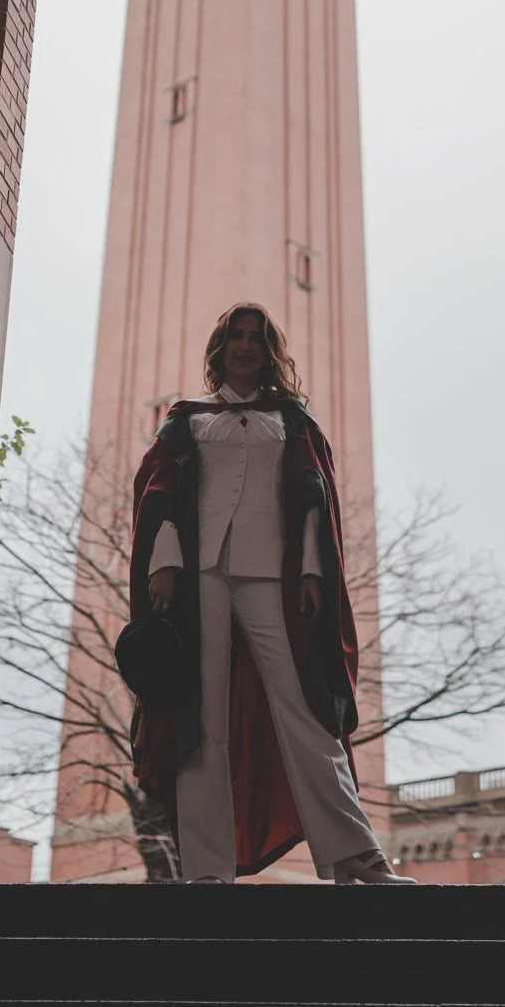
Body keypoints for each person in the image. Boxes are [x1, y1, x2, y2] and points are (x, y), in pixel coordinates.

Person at [128, 303, 412, 884]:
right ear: (220, 346)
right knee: (202, 716)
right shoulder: (187, 418)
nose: (245, 346)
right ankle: (206, 871)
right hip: (199, 573)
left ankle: (356, 855)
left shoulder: (291, 420)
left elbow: (312, 497)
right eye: (235, 336)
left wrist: (312, 571)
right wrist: (164, 563)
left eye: (256, 338)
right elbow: (160, 493)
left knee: (306, 708)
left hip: (271, 574)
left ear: (269, 349)